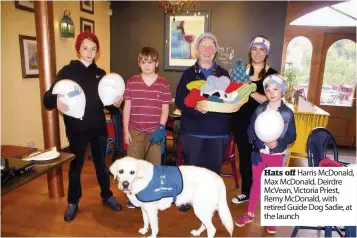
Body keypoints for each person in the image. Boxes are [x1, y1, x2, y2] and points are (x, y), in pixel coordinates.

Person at [43, 32, 123, 222]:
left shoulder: (101, 74)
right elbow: (47, 98)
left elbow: (109, 105)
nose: (89, 52)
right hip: (76, 129)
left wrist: (117, 104)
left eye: (93, 49)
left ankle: (107, 195)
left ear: (97, 51)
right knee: (75, 168)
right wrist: (55, 100)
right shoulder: (67, 71)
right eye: (85, 48)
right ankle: (72, 202)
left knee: (101, 166)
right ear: (78, 48)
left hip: (97, 128)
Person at [175, 32, 231, 211]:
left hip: (217, 132)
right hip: (193, 131)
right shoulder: (188, 74)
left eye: (211, 46)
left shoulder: (224, 74)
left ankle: (211, 200)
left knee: (213, 170)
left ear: (216, 50)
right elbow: (179, 100)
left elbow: (230, 99)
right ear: (197, 49)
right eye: (203, 46)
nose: (207, 50)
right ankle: (188, 198)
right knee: (192, 169)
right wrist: (195, 107)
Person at [235, 74, 296, 234]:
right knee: (257, 182)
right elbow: (250, 129)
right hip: (259, 153)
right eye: (268, 90)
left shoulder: (288, 113)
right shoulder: (260, 109)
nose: (272, 92)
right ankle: (249, 213)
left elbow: (292, 135)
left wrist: (279, 143)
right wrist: (257, 142)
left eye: (276, 89)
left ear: (282, 91)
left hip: (276, 155)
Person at [122, 46, 172, 207]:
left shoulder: (163, 84)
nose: (147, 65)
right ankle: (133, 197)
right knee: (133, 166)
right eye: (143, 62)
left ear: (156, 63)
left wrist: (161, 128)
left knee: (153, 167)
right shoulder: (132, 82)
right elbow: (127, 108)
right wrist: (125, 131)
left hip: (154, 133)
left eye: (151, 62)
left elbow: (165, 110)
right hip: (135, 130)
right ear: (139, 63)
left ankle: (152, 195)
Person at [231, 35, 278, 204]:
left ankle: (259, 190)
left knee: (259, 158)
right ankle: (246, 192)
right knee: (244, 157)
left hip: (262, 124)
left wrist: (248, 89)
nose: (258, 53)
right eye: (254, 48)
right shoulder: (240, 70)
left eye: (262, 49)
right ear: (250, 51)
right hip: (240, 122)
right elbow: (233, 94)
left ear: (267, 53)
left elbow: (270, 99)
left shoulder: (272, 75)